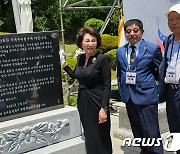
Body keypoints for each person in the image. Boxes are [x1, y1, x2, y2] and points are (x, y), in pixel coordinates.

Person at [59, 27, 112, 154]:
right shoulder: (81, 58)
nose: (90, 44)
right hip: (83, 101)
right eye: (87, 41)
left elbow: (107, 86)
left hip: (97, 101)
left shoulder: (102, 59)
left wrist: (104, 108)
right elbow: (76, 75)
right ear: (81, 42)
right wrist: (63, 63)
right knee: (89, 134)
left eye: (93, 40)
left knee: (101, 135)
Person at [116, 19, 163, 154]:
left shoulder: (152, 49)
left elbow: (160, 72)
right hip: (129, 96)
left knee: (151, 131)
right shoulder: (120, 51)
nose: (132, 34)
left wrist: (157, 92)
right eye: (128, 31)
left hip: (147, 97)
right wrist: (121, 91)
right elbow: (119, 74)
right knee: (138, 131)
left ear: (142, 32)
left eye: (135, 31)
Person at [159, 3, 180, 154]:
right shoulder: (168, 40)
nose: (173, 22)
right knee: (175, 129)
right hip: (171, 92)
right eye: (170, 19)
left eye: (177, 19)